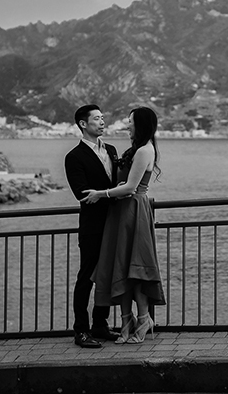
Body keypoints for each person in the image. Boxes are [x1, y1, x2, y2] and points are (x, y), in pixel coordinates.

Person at [83, 107, 166, 344]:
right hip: (121, 213)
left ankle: (142, 320)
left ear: (140, 124)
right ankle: (127, 322)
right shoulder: (136, 149)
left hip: (133, 212)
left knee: (135, 269)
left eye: (130, 121)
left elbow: (131, 187)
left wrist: (101, 194)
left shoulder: (144, 150)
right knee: (120, 266)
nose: (127, 125)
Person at [64, 104, 122, 348]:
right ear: (83, 124)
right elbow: (82, 193)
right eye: (97, 119)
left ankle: (100, 324)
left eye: (102, 118)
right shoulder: (74, 157)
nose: (102, 122)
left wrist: (104, 193)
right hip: (92, 225)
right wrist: (108, 194)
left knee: (106, 275)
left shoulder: (111, 149)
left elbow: (113, 185)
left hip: (114, 222)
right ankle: (81, 331)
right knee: (86, 277)